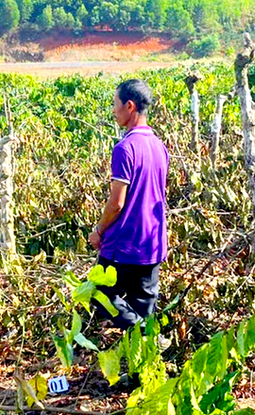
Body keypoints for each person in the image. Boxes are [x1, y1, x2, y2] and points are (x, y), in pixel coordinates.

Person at [88, 79, 169, 331]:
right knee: (145, 311)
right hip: (153, 244)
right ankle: (141, 365)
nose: (113, 110)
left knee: (100, 297)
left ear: (130, 106)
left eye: (115, 104)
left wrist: (98, 231)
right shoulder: (160, 146)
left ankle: (141, 331)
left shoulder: (125, 149)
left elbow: (117, 203)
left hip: (124, 245)